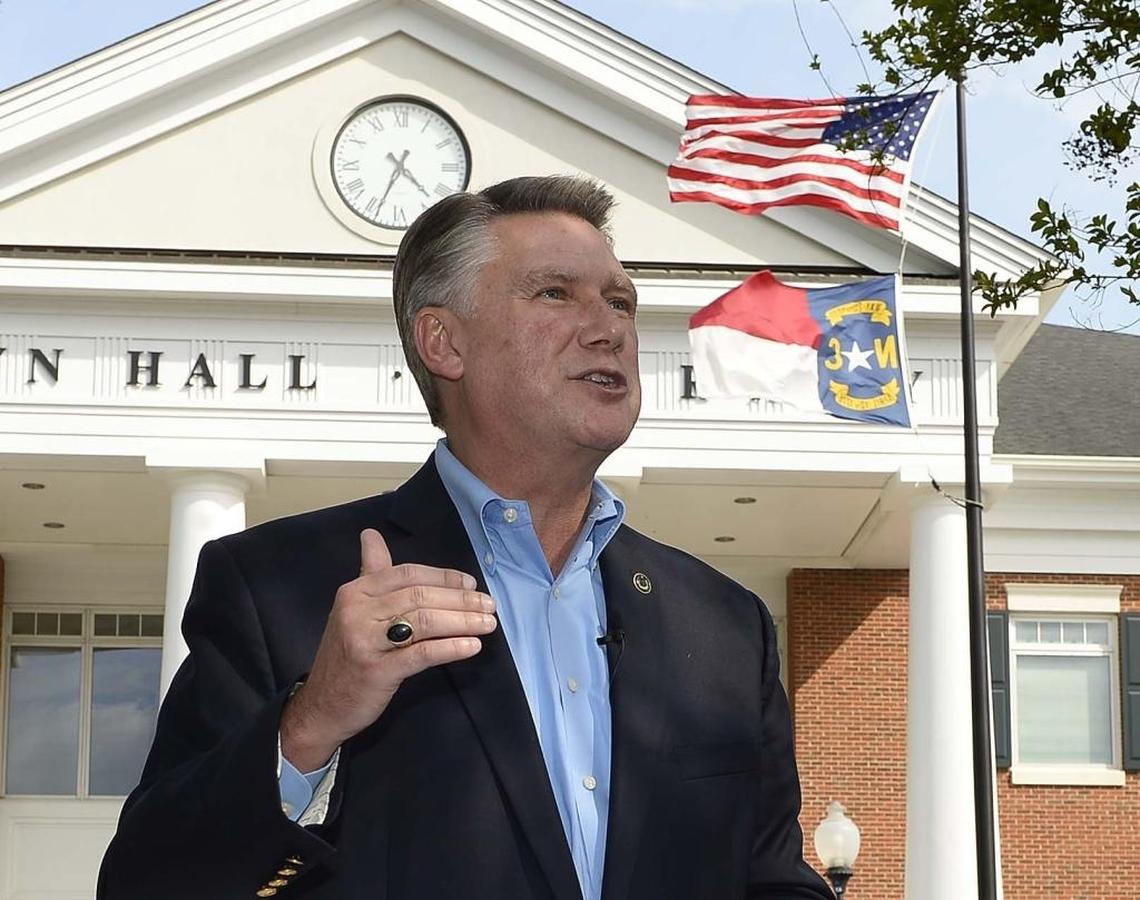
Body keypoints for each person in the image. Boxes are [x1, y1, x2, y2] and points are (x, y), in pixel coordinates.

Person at [98, 175, 833, 900]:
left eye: (620, 301)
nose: (609, 327)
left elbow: (774, 882)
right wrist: (313, 720)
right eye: (555, 292)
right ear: (444, 342)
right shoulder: (278, 587)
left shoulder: (725, 626)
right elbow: (147, 884)